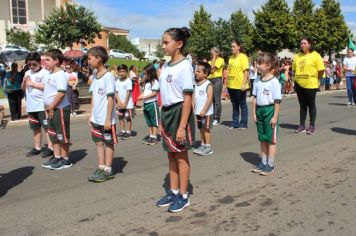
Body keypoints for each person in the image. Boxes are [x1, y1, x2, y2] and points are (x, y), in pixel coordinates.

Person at [156, 27, 195, 213]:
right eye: (163, 42)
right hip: (167, 112)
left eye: (166, 42)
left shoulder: (185, 66)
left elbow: (188, 97)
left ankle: (184, 195)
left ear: (179, 44)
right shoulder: (166, 66)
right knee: (170, 154)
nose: (163, 46)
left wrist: (182, 126)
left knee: (180, 155)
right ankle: (173, 190)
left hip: (180, 113)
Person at [87, 46, 117, 182]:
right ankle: (101, 166)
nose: (88, 61)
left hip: (106, 119)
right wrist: (91, 114)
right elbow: (93, 96)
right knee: (98, 142)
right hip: (96, 118)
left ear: (98, 59)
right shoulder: (94, 75)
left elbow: (111, 98)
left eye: (89, 58)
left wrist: (107, 119)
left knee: (108, 143)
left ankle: (108, 170)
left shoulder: (108, 76)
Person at [41, 49, 72, 170]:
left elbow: (61, 93)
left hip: (60, 109)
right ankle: (57, 156)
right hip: (51, 109)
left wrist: (52, 107)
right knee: (53, 134)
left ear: (56, 61)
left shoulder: (61, 74)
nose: (45, 62)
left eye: (48, 60)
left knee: (62, 135)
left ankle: (65, 159)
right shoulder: (50, 74)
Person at [251, 52, 281, 175]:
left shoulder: (274, 82)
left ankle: (270, 164)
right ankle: (263, 162)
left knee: (271, 140)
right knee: (262, 139)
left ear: (268, 65)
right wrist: (254, 113)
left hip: (270, 110)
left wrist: (275, 116)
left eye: (259, 63)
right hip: (260, 111)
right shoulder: (257, 80)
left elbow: (277, 101)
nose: (257, 66)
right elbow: (254, 97)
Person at [22, 52, 53, 158]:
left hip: (42, 106)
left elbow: (48, 87)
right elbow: (24, 88)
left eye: (34, 64)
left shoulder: (45, 73)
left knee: (46, 127)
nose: (31, 66)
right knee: (35, 128)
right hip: (31, 106)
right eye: (29, 64)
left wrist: (33, 84)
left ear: (40, 62)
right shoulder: (27, 73)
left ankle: (50, 147)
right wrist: (24, 83)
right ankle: (37, 147)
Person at [293, 36, 325, 135]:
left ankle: (312, 126)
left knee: (311, 105)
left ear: (310, 44)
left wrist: (316, 79)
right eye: (301, 43)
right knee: (302, 106)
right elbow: (294, 69)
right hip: (299, 84)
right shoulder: (297, 56)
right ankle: (302, 125)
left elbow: (321, 70)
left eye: (305, 43)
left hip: (311, 84)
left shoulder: (315, 55)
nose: (302, 45)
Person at [227, 40, 250, 129]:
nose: (232, 48)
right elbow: (229, 71)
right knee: (234, 105)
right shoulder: (231, 58)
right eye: (231, 47)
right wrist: (227, 85)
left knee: (242, 104)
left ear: (238, 47)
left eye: (234, 46)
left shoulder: (243, 57)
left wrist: (244, 84)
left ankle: (243, 123)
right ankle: (235, 123)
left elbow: (246, 71)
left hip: (240, 85)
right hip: (231, 85)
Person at [193, 61, 214, 156]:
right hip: (198, 112)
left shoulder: (208, 84)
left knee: (206, 129)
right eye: (196, 71)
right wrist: (193, 107)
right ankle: (203, 144)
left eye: (198, 71)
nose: (196, 73)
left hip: (207, 113)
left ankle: (208, 147)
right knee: (201, 129)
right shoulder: (196, 84)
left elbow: (210, 98)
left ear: (205, 74)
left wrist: (204, 110)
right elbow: (194, 96)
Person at [138, 64, 160, 145]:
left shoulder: (155, 82)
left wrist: (144, 97)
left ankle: (154, 137)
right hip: (146, 103)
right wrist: (141, 96)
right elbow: (144, 91)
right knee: (149, 121)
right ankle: (151, 136)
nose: (145, 75)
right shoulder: (147, 83)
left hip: (152, 103)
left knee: (154, 121)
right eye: (144, 74)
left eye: (146, 74)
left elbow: (154, 93)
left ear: (151, 73)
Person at [115, 64, 134, 140]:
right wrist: (119, 102)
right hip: (120, 103)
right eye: (120, 71)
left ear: (126, 72)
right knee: (120, 117)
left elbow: (128, 92)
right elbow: (116, 92)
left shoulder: (128, 80)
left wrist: (125, 103)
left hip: (128, 104)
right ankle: (122, 131)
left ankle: (128, 132)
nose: (122, 73)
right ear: (118, 72)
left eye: (124, 71)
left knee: (128, 117)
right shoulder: (117, 81)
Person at [208, 47, 224, 125]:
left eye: (213, 52)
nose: (211, 54)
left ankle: (217, 118)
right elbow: (209, 71)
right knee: (211, 100)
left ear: (217, 53)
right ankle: (212, 116)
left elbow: (213, 69)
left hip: (217, 79)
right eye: (211, 53)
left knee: (217, 100)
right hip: (209, 79)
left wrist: (214, 58)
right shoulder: (209, 61)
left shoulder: (221, 60)